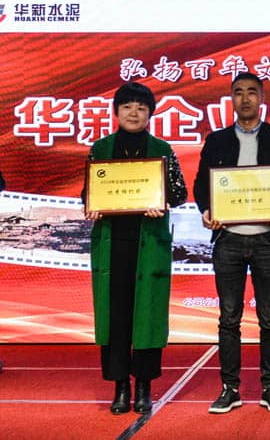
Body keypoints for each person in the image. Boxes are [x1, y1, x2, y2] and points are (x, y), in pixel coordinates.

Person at [193, 72, 270, 414]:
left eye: (252, 92)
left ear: (262, 98)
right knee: (229, 318)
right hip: (228, 241)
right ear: (231, 99)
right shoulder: (217, 141)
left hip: (267, 241)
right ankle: (230, 389)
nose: (245, 98)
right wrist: (207, 210)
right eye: (238, 92)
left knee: (269, 319)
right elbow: (201, 185)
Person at [84, 82, 187, 414]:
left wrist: (164, 202)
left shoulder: (161, 149)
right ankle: (120, 387)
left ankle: (144, 386)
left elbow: (179, 193)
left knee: (147, 317)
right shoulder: (101, 149)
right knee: (116, 318)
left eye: (141, 108)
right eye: (127, 106)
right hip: (113, 246)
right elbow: (88, 193)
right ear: (116, 111)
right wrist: (92, 206)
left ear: (150, 114)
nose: (133, 113)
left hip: (148, 246)